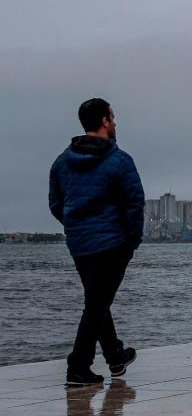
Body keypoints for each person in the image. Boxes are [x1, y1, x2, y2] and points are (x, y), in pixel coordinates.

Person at [49, 98, 143, 386]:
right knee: (96, 304)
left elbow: (56, 203)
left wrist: (76, 226)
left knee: (97, 300)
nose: (115, 122)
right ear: (104, 121)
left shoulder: (62, 162)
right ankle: (78, 366)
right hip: (112, 243)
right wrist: (131, 240)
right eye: (112, 117)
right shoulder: (119, 161)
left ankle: (115, 355)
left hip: (79, 243)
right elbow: (134, 204)